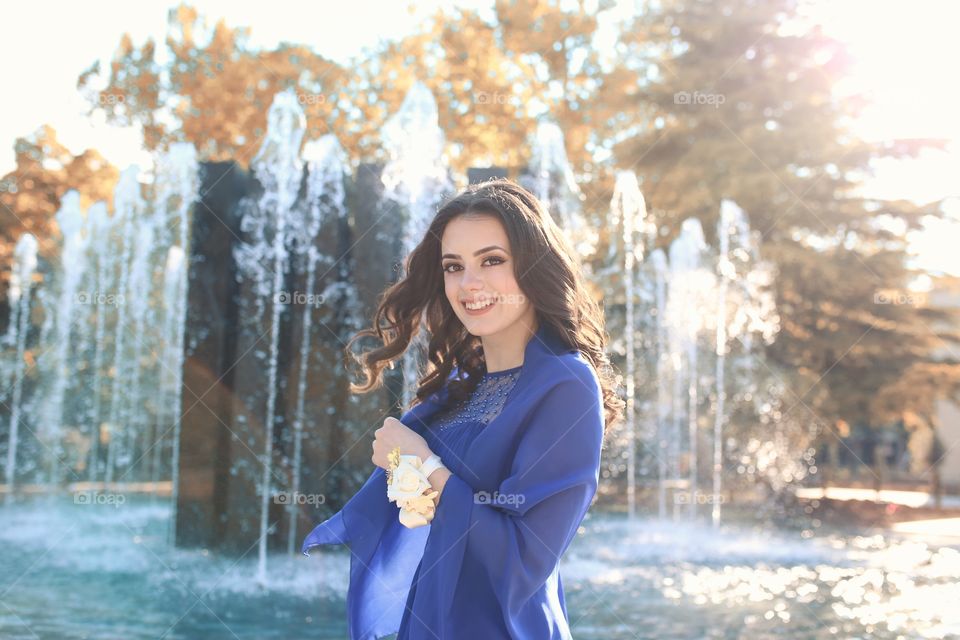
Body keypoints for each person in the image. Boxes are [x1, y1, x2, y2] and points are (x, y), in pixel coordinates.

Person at [301, 178, 624, 639]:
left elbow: (521, 560)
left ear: (534, 266)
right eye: (454, 266)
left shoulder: (566, 382)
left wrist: (422, 465)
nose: (470, 284)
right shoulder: (460, 384)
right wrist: (409, 468)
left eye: (492, 260)